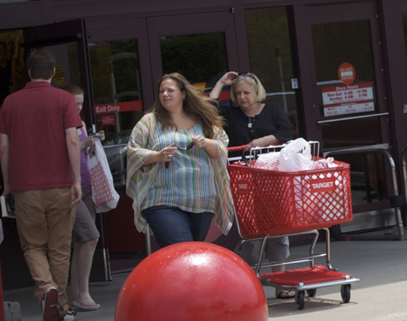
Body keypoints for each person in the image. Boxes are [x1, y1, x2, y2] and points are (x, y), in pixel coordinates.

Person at [0, 49, 82, 321]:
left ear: (28, 72)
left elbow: (4, 147)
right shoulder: (63, 99)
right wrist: (77, 180)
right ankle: (63, 308)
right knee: (60, 248)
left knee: (32, 245)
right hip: (60, 185)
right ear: (53, 72)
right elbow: (72, 141)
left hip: (25, 188)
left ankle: (46, 290)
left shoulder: (10, 102)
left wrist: (8, 184)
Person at [124, 72, 234, 248]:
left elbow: (221, 149)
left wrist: (206, 143)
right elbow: (132, 152)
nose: (165, 94)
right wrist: (157, 156)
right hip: (162, 200)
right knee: (182, 249)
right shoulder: (150, 122)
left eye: (170, 90)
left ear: (183, 93)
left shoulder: (203, 120)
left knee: (191, 255)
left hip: (202, 200)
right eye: (161, 91)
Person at [212, 72, 298, 275]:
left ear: (257, 92)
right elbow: (209, 107)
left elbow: (286, 131)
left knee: (277, 225)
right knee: (251, 226)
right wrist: (221, 83)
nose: (242, 97)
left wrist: (264, 141)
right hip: (244, 178)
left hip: (272, 176)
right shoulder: (230, 114)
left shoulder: (273, 110)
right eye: (237, 93)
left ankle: (279, 278)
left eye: (246, 92)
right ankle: (251, 282)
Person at [66, 85, 101, 313]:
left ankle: (77, 294)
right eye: (74, 103)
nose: (78, 108)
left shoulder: (81, 123)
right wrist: (83, 144)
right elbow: (62, 150)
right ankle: (82, 293)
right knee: (91, 237)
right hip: (71, 187)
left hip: (87, 185)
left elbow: (81, 152)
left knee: (81, 241)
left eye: (80, 103)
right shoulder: (62, 123)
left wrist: (91, 143)